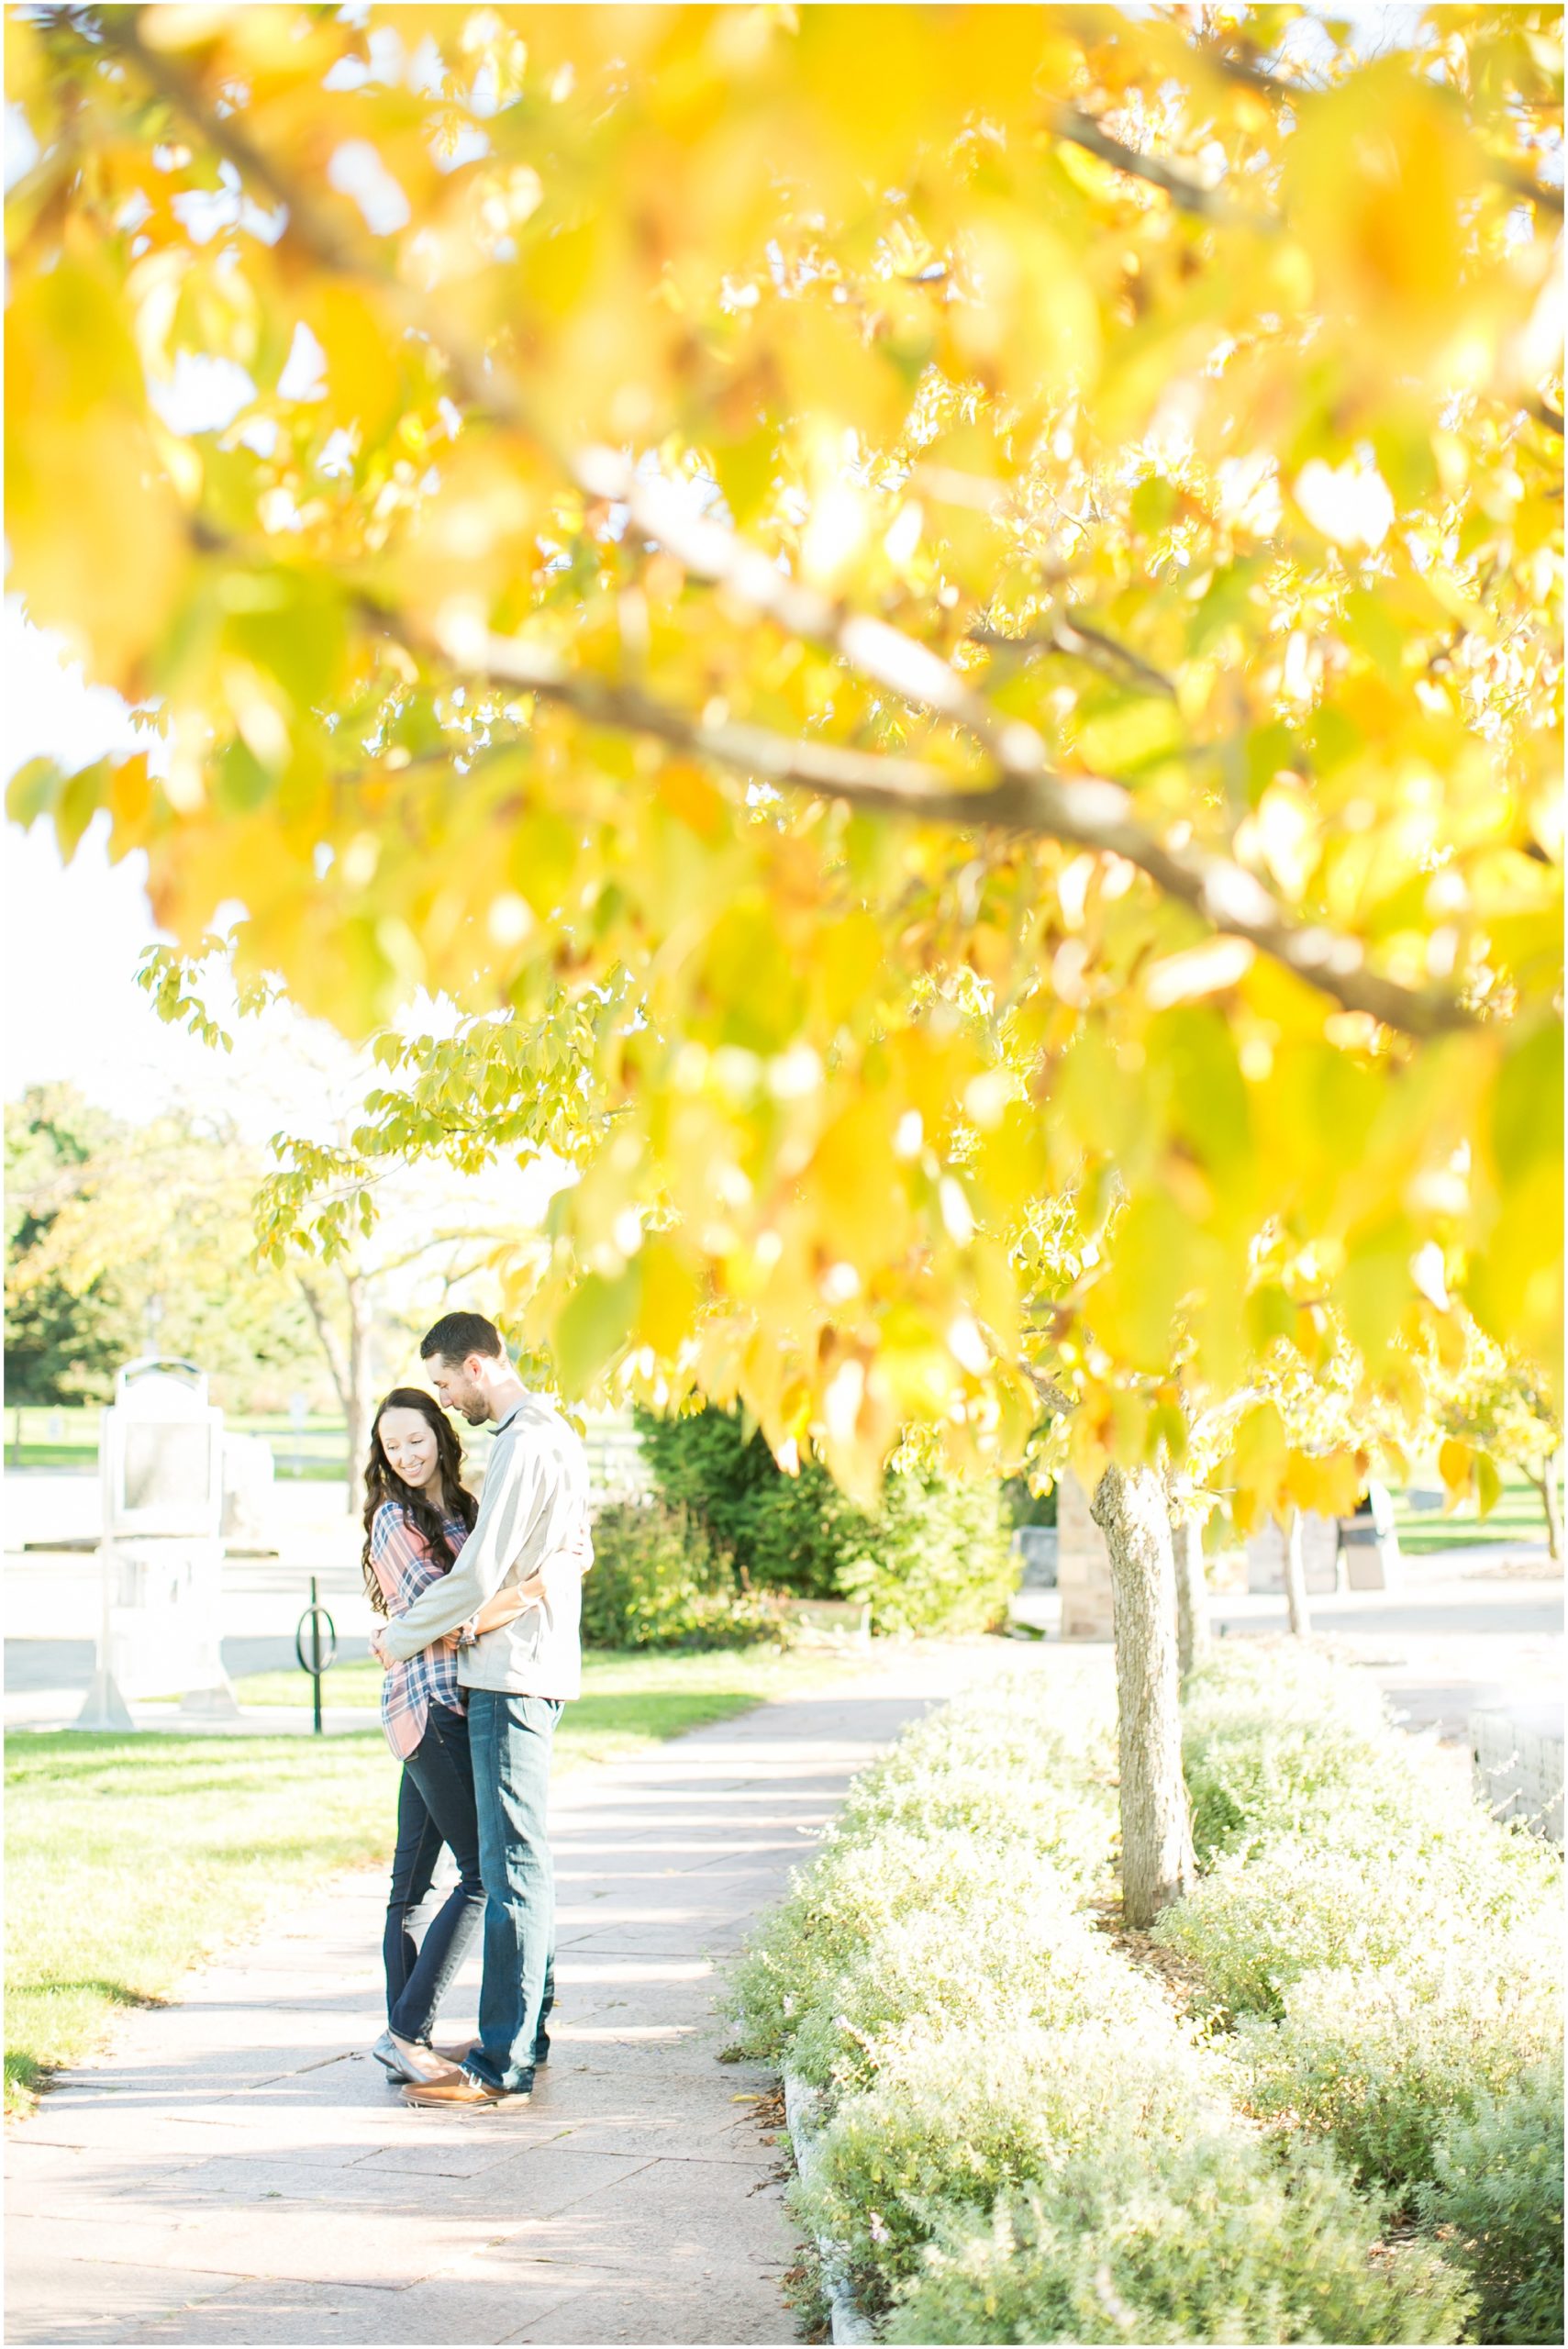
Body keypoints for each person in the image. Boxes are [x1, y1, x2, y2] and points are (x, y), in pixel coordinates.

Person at [370, 1313, 591, 2109]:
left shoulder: (524, 1444)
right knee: (505, 1869)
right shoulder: (554, 1435)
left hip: (507, 1675)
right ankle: (520, 2036)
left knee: (508, 1873)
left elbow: (471, 1581)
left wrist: (396, 1636)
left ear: (477, 1366)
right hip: (520, 1672)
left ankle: (501, 2061)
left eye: (443, 1383)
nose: (444, 1399)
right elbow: (574, 1552)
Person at [361, 1386, 537, 2087]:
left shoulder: (464, 1509)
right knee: (481, 1877)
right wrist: (519, 1598)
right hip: (429, 1712)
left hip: (449, 1707)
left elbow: (472, 1595)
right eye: (391, 1445)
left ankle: (406, 2037)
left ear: (439, 1433)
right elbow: (448, 1611)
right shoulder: (392, 1519)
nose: (405, 1455)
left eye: (415, 1439)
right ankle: (404, 2032)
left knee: (411, 1888)